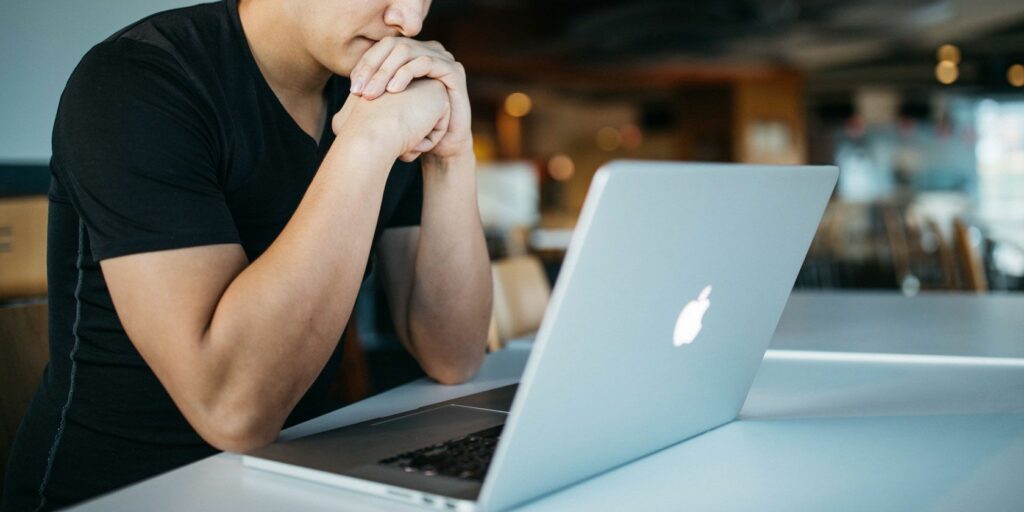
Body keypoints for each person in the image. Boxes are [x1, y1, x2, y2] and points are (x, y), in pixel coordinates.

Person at [1, 0, 492, 510]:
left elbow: (453, 356)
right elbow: (232, 413)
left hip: (285, 475)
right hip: (121, 491)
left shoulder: (376, 83)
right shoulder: (137, 79)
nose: (409, 22)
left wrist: (451, 155)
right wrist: (368, 141)